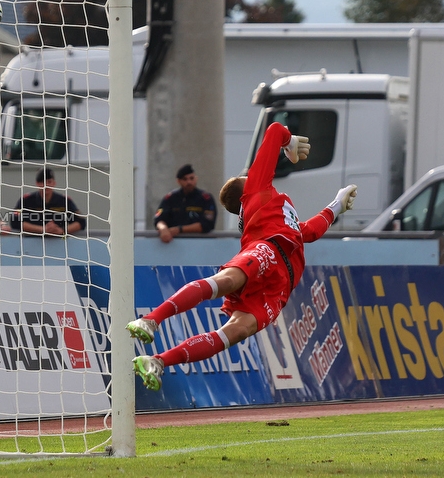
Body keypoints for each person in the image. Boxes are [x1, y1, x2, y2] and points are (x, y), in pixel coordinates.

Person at [127, 122, 358, 391]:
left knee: (237, 331)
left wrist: (336, 206)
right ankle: (151, 319)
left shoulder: (282, 210)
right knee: (226, 281)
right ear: (244, 190)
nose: (254, 174)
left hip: (279, 286)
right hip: (267, 250)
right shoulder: (256, 189)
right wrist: (289, 142)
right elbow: (273, 130)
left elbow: (307, 232)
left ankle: (157, 361)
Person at [8, 168, 86, 235]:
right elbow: (14, 220)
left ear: (54, 183)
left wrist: (62, 230)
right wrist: (42, 229)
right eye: (42, 182)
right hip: (32, 242)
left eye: (49, 182)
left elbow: (81, 222)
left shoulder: (64, 201)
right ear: (37, 184)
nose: (46, 185)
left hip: (58, 243)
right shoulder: (26, 200)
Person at [154, 164, 216, 242]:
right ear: (178, 181)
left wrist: (179, 229)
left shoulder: (205, 198)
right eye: (185, 179)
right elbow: (159, 219)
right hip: (174, 243)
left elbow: (207, 224)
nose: (189, 182)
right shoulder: (171, 198)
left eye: (191, 178)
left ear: (196, 179)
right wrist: (163, 229)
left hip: (199, 243)